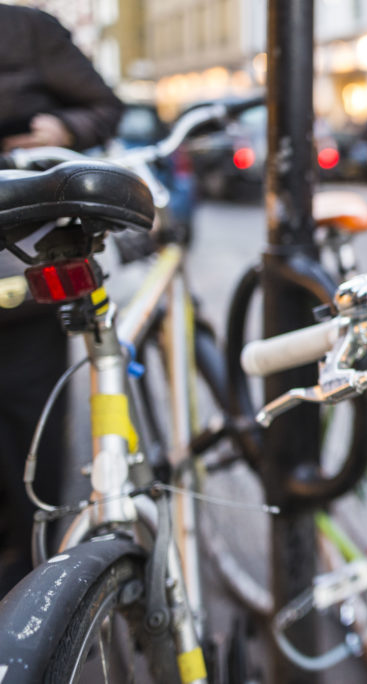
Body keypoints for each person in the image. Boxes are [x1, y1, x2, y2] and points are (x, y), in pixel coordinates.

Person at [0, 4, 124, 596]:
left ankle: (33, 581)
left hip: (13, 274)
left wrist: (62, 131)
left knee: (30, 441)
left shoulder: (27, 28)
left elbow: (104, 106)